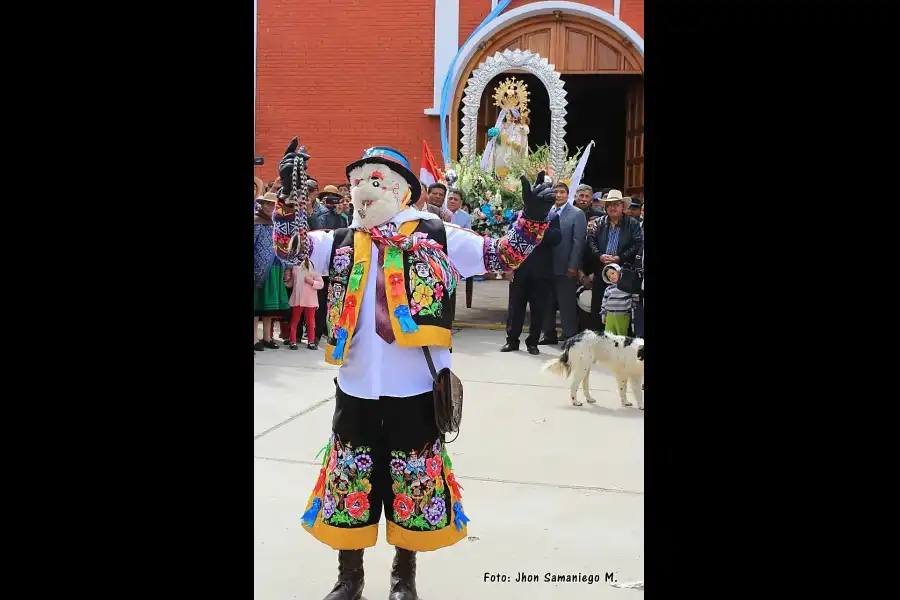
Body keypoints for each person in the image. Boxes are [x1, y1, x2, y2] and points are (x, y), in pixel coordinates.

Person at [280, 142, 554, 600]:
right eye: (357, 180)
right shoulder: (343, 240)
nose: (363, 189)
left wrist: (533, 218)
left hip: (417, 389)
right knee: (352, 480)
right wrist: (290, 206)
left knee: (412, 482)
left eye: (375, 178)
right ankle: (350, 577)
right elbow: (291, 252)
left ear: (402, 189)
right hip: (357, 386)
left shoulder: (438, 235)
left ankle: (403, 577)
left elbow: (502, 257)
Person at [502, 208, 561, 354]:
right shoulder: (519, 215)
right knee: (515, 307)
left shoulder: (552, 217)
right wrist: (508, 267)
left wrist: (538, 227)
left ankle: (533, 342)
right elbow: (509, 239)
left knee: (538, 309)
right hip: (520, 269)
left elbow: (556, 238)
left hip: (542, 272)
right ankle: (512, 340)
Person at [586, 189, 643, 332]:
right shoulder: (598, 223)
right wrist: (599, 255)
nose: (613, 207)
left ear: (623, 206)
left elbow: (637, 243)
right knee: (599, 304)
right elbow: (590, 241)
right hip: (602, 269)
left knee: (623, 308)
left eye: (616, 204)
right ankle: (598, 337)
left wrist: (620, 257)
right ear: (605, 206)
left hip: (623, 271)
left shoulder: (632, 224)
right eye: (610, 204)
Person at [539, 182, 586, 346]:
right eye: (556, 192)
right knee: (547, 303)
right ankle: (549, 334)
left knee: (566, 304)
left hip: (566, 267)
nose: (558, 195)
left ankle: (570, 336)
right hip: (546, 267)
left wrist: (573, 265)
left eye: (562, 192)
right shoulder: (546, 212)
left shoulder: (576, 214)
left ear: (568, 195)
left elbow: (578, 242)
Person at [254, 193, 290, 352]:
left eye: (272, 204)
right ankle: (254, 338)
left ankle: (268, 337)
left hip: (276, 268)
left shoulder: (277, 224)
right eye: (267, 204)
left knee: (270, 307)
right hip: (259, 268)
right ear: (261, 205)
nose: (270, 207)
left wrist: (287, 266)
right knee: (256, 306)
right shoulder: (256, 222)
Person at [287, 237, 325, 351]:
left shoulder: (311, 265)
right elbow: (291, 284)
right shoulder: (293, 265)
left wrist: (312, 282)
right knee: (294, 321)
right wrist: (287, 280)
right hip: (298, 299)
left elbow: (321, 283)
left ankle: (311, 341)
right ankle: (292, 341)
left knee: (311, 322)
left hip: (310, 300)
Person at [599, 264, 632, 335]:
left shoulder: (627, 287)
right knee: (609, 335)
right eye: (609, 276)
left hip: (623, 316)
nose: (611, 277)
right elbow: (604, 302)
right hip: (609, 316)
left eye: (613, 273)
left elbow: (634, 299)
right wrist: (603, 315)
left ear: (619, 271)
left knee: (621, 336)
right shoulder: (608, 289)